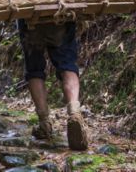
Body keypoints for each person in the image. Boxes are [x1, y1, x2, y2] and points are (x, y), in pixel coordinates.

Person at [18, 19, 88, 150]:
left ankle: (44, 123)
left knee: (34, 70)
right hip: (60, 15)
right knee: (67, 65)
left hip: (29, 18)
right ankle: (74, 112)